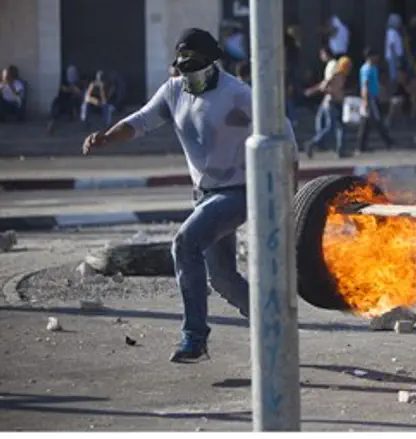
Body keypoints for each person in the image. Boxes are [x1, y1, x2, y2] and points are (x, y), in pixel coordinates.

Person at [81, 28, 300, 363]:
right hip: (204, 195)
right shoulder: (173, 91)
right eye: (183, 66)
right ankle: (274, 323)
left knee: (185, 244)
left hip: (240, 191)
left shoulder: (237, 93)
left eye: (196, 65)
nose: (190, 74)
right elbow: (140, 121)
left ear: (213, 63)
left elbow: (282, 130)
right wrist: (106, 137)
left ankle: (194, 339)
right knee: (222, 278)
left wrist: (290, 182)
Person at [304, 54, 352, 158]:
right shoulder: (335, 76)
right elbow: (324, 86)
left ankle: (341, 150)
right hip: (332, 103)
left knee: (341, 127)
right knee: (330, 128)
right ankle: (312, 143)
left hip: (338, 103)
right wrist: (315, 91)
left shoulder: (343, 76)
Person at [357, 47, 395, 152]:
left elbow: (375, 83)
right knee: (376, 120)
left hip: (374, 96)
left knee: (367, 123)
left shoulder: (373, 68)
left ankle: (362, 145)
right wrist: (365, 100)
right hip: (370, 97)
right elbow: (365, 85)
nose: (377, 58)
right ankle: (388, 141)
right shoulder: (366, 69)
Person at [385, 13, 405, 87]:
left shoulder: (395, 32)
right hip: (393, 57)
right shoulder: (392, 32)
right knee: (394, 75)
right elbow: (392, 46)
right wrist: (395, 59)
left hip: (395, 57)